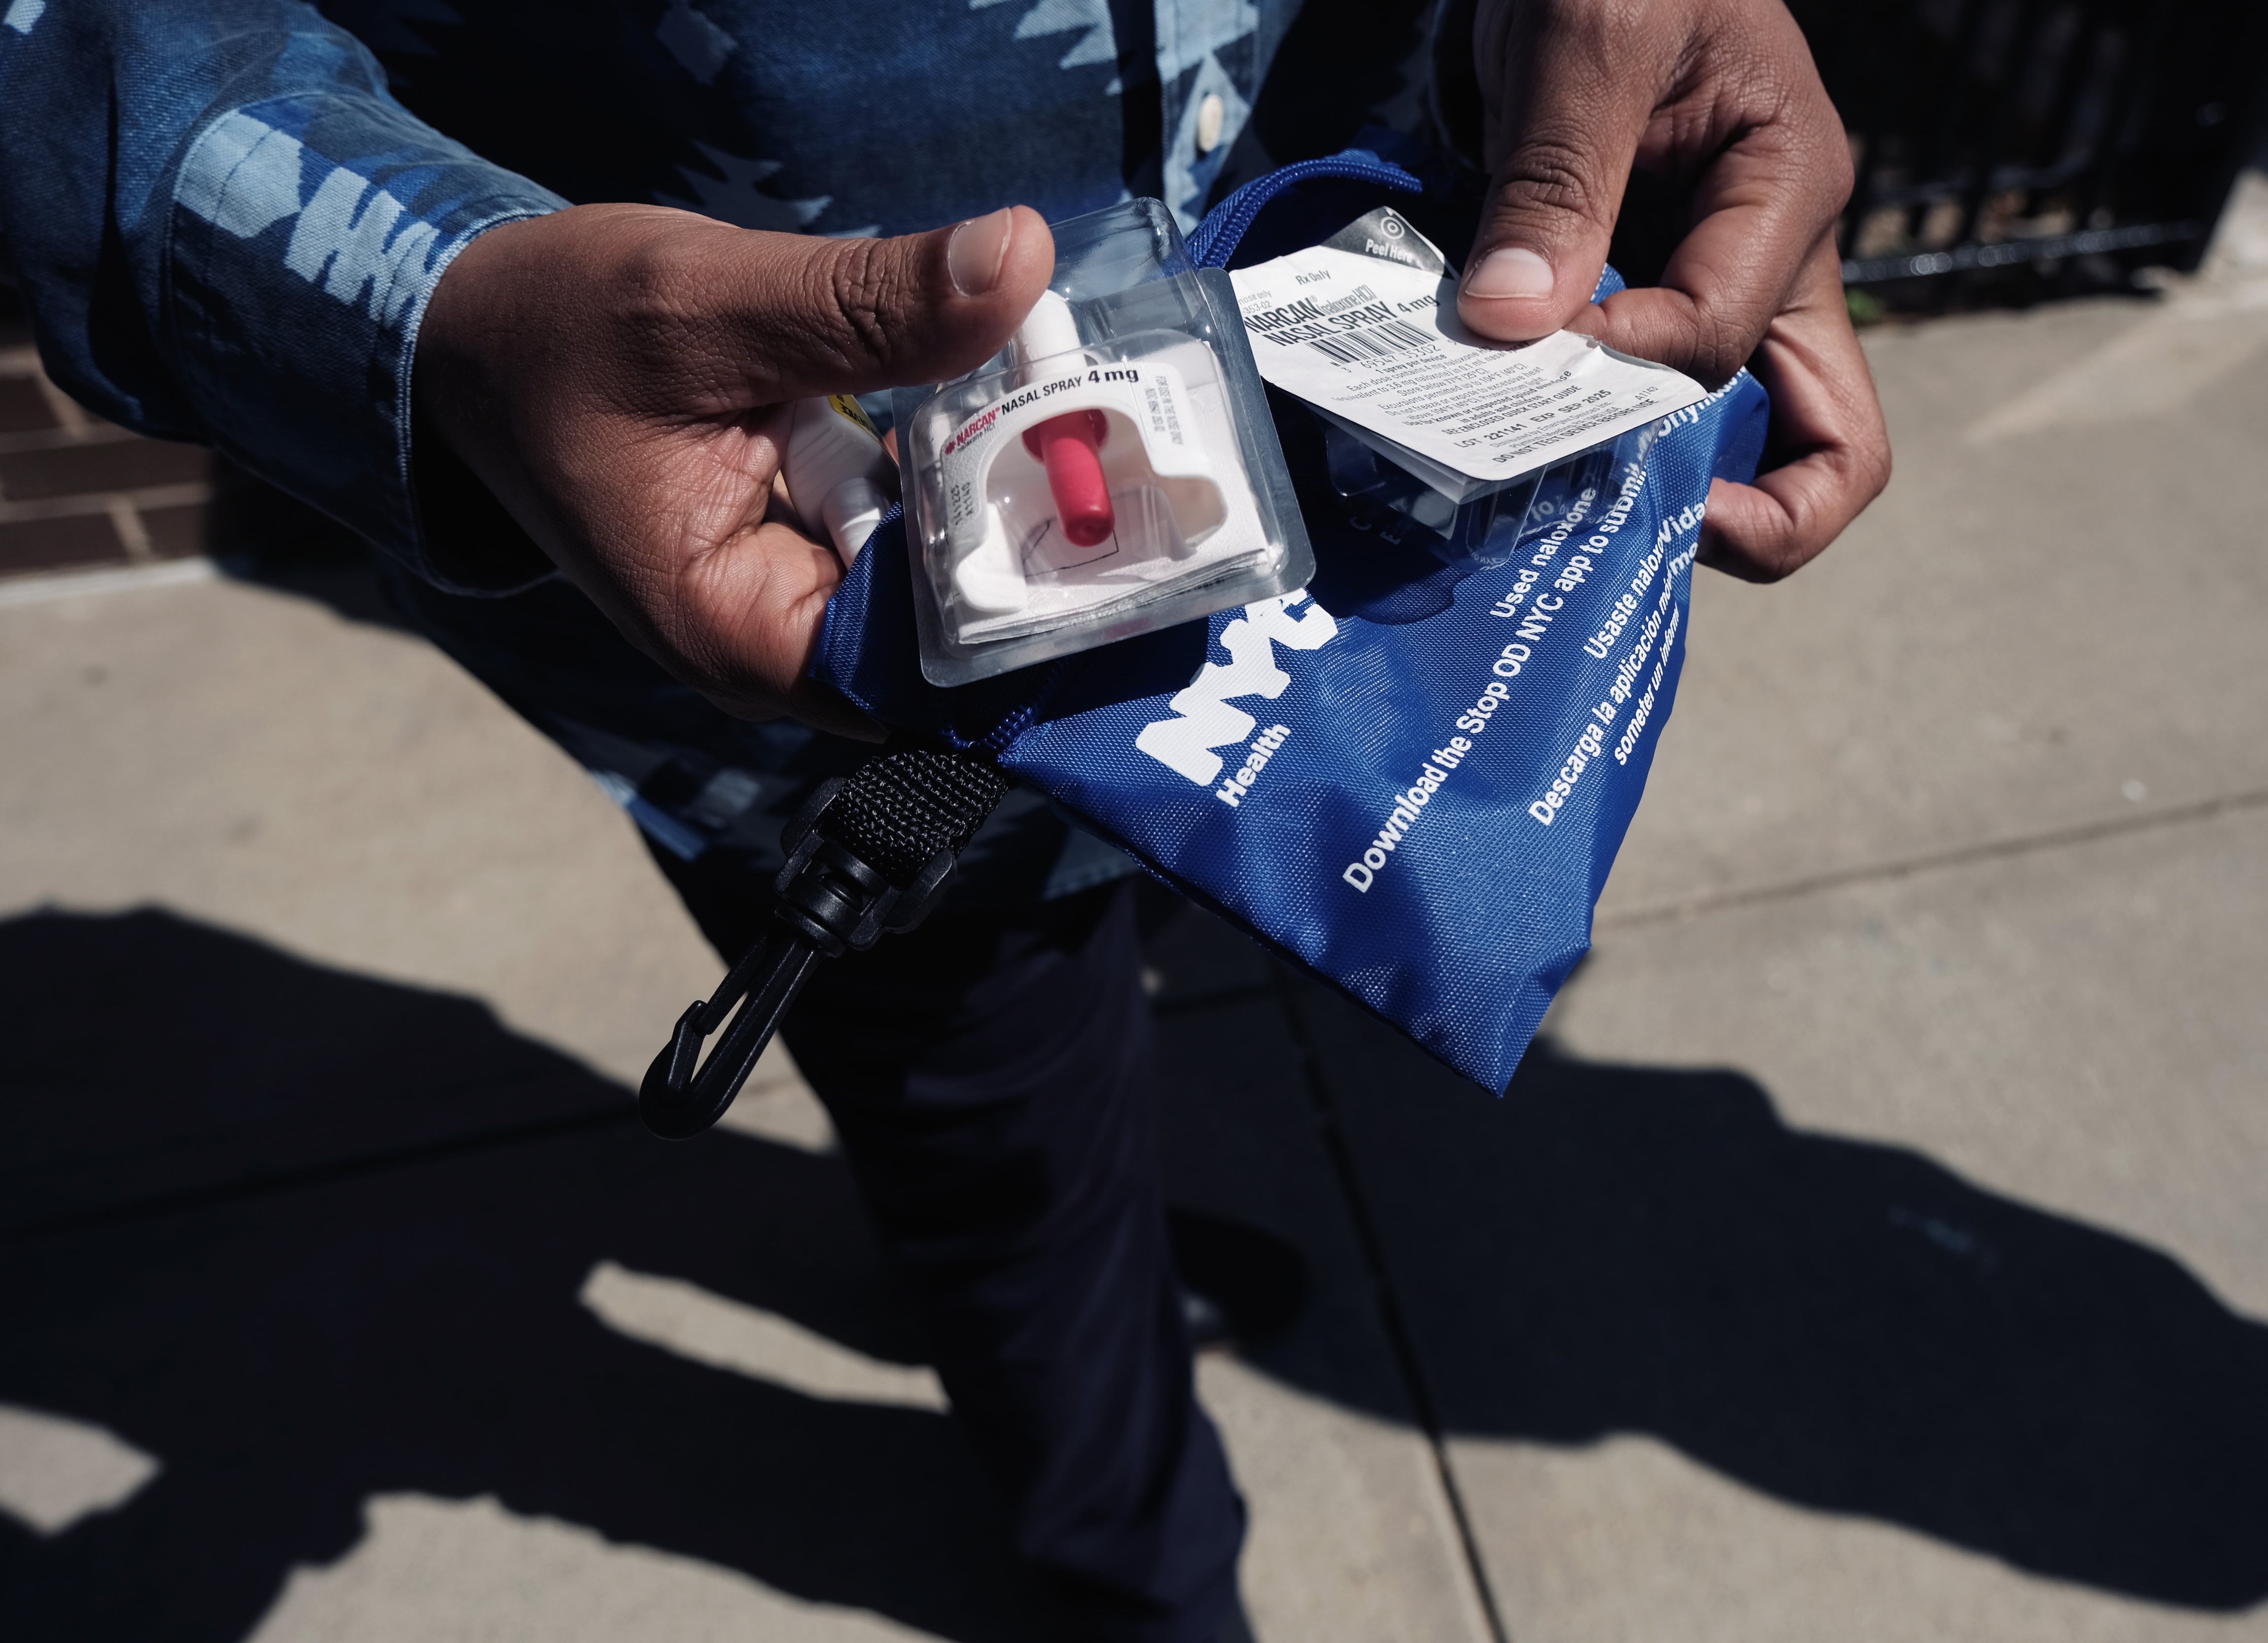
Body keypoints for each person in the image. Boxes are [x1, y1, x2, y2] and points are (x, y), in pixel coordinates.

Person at [0, 1, 1888, 1636]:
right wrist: (439, 296)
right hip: (787, 576)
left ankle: (1075, 1251)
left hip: (1334, 397)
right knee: (989, 1113)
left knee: (1113, 1000)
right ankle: (1129, 1556)